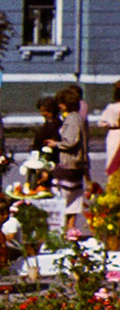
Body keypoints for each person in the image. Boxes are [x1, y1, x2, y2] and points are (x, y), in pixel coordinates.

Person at [46, 87, 89, 234]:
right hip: (77, 163)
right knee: (74, 197)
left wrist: (56, 144)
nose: (59, 105)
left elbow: (71, 141)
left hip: (69, 162)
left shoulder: (72, 119)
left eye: (62, 103)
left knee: (63, 197)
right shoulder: (78, 118)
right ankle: (70, 230)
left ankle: (63, 229)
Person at [98, 81, 120, 179]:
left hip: (114, 134)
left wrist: (109, 124)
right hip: (116, 133)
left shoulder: (111, 107)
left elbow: (101, 123)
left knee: (112, 159)